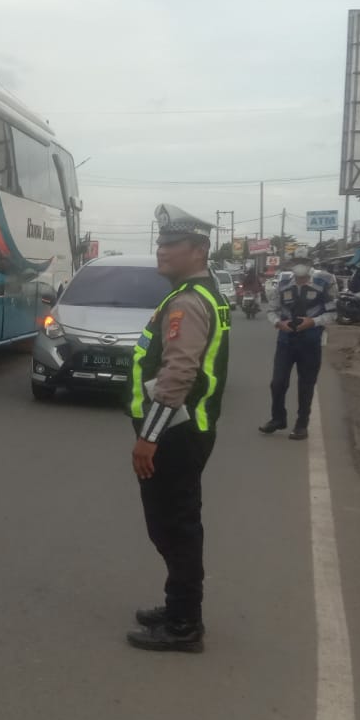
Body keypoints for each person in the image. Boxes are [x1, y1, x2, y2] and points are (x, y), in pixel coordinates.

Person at [126, 204, 231, 654]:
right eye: (161, 242)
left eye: (171, 244)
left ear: (199, 249)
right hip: (187, 430)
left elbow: (177, 376)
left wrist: (149, 436)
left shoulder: (188, 301)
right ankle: (177, 608)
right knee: (174, 525)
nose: (161, 251)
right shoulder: (200, 293)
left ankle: (185, 625)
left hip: (175, 433)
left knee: (175, 528)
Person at [260, 260, 333, 440]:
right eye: (297, 262)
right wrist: (278, 323)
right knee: (277, 383)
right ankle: (278, 418)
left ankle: (301, 424)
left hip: (310, 341)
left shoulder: (324, 282)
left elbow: (333, 313)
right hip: (286, 340)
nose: (300, 266)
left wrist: (313, 322)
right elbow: (272, 310)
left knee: (306, 385)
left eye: (304, 262)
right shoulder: (283, 282)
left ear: (311, 264)